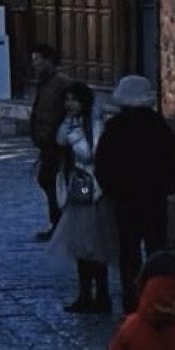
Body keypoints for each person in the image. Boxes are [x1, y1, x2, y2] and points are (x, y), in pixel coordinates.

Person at [94, 74, 175, 313]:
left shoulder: (115, 128)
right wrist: (166, 187)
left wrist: (113, 189)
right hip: (154, 198)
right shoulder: (159, 126)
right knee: (156, 247)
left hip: (126, 201)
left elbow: (102, 164)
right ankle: (159, 294)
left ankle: (132, 298)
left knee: (129, 251)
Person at [48, 80, 114, 313]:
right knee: (80, 247)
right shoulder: (72, 122)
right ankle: (85, 293)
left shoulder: (94, 123)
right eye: (67, 100)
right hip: (78, 189)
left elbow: (89, 154)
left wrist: (75, 135)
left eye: (73, 99)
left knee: (95, 246)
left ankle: (102, 295)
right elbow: (58, 141)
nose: (69, 104)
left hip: (92, 190)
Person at [28, 42, 72, 239]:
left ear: (48, 60)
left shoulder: (62, 83)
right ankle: (59, 223)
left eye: (37, 60)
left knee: (55, 181)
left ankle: (63, 224)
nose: (34, 64)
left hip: (60, 143)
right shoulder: (45, 82)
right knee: (48, 180)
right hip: (47, 142)